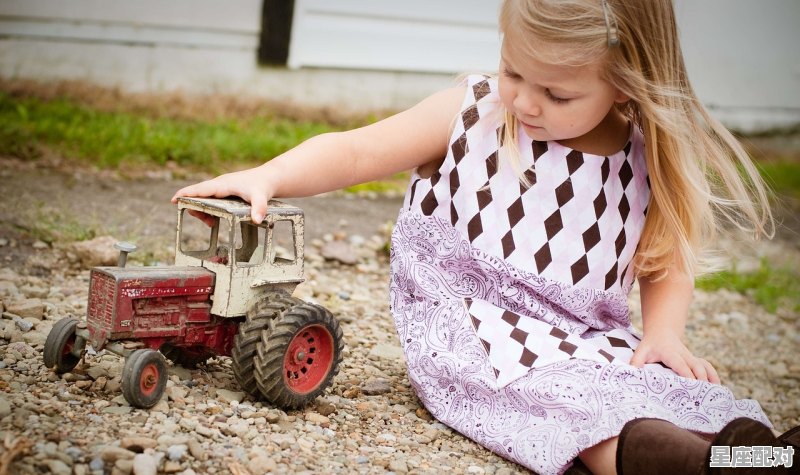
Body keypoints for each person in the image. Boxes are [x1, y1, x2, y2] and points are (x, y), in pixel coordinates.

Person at [173, 0, 799, 473]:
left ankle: (757, 459)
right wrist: (269, 174)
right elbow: (358, 150)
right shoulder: (473, 114)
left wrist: (663, 334)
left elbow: (664, 258)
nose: (525, 100)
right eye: (513, 71)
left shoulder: (640, 157)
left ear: (627, 84)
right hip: (478, 332)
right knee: (571, 410)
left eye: (556, 92)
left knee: (659, 386)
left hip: (584, 336)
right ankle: (672, 465)